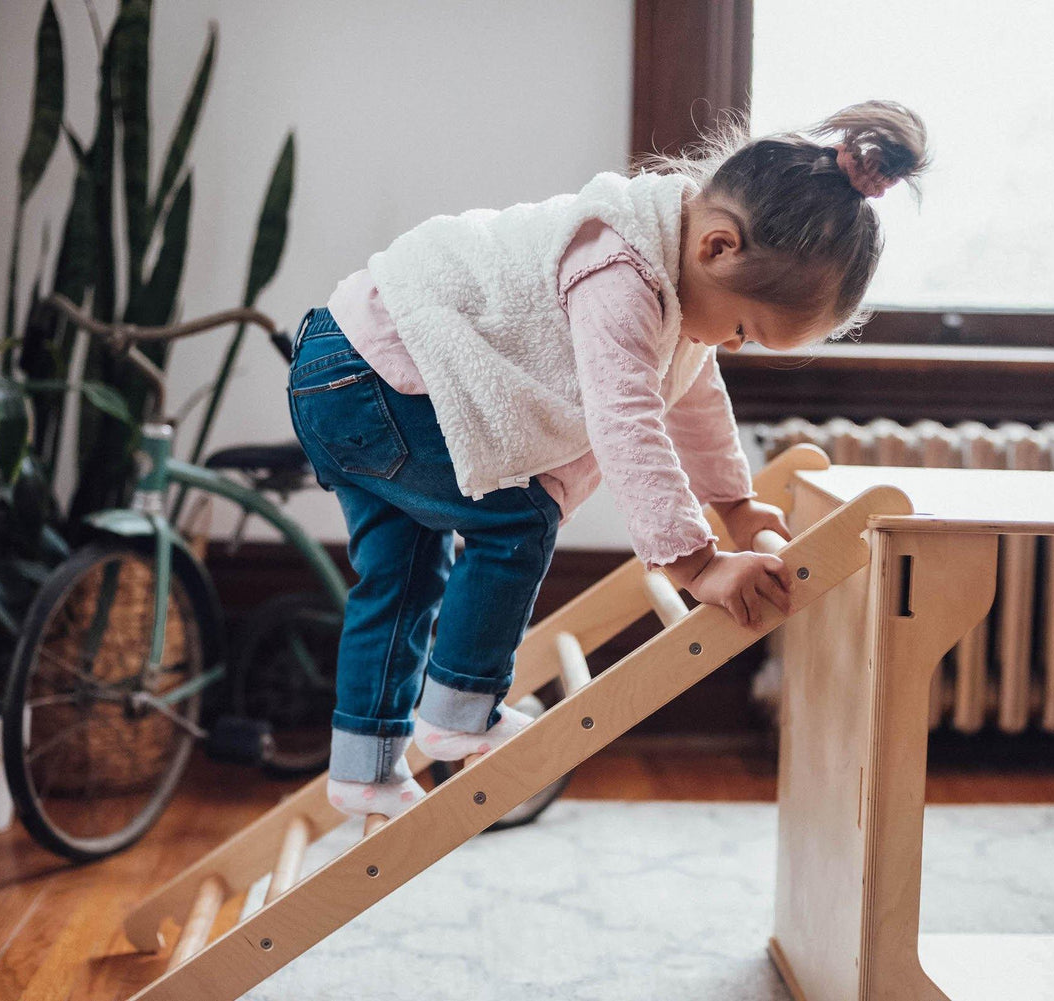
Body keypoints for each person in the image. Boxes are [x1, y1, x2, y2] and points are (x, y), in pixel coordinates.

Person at [286, 100, 930, 819]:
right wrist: (696, 563)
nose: (733, 344)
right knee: (518, 520)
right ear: (718, 248)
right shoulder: (619, 268)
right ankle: (459, 713)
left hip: (343, 369)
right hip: (377, 379)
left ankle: (363, 767)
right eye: (745, 327)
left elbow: (691, 394)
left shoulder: (669, 267)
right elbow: (626, 419)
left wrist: (735, 502)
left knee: (401, 575)